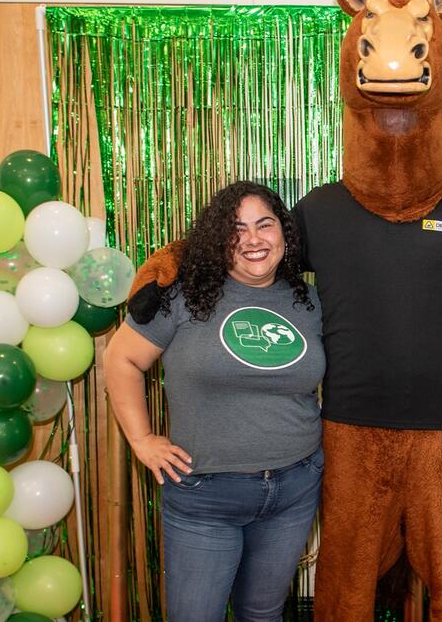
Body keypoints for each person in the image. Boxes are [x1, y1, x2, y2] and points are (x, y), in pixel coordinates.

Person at [103, 181, 325, 622]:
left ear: (285, 232)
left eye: (264, 225)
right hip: (205, 495)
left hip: (295, 488)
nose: (253, 240)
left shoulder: (310, 300)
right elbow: (121, 358)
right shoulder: (182, 295)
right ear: (217, 240)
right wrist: (143, 439)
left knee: (261, 614)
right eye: (236, 229)